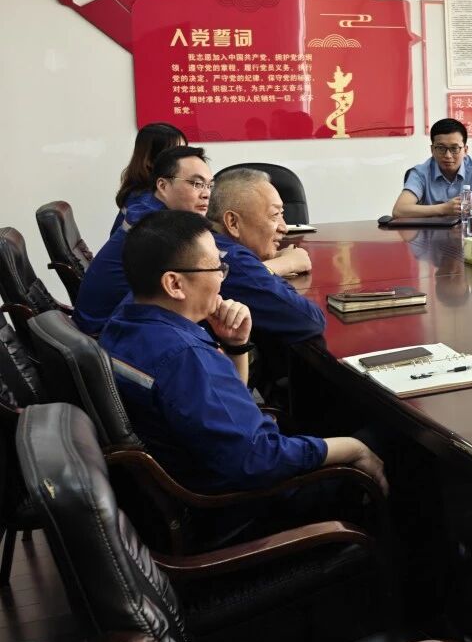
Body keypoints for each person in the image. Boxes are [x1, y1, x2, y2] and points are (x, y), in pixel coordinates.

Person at [99, 210, 385, 496]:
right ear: (174, 284)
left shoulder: (123, 319)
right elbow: (259, 459)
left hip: (203, 469)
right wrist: (353, 448)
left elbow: (226, 410)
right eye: (216, 269)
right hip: (245, 501)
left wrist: (236, 346)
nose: (222, 278)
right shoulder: (185, 356)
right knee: (385, 434)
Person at [74, 145, 214, 336]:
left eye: (209, 185)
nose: (206, 194)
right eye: (196, 184)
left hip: (104, 322)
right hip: (107, 331)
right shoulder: (157, 229)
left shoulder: (149, 208)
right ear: (163, 186)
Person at [206, 168, 324, 342]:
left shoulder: (205, 240)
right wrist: (286, 264)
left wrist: (259, 265)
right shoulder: (234, 260)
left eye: (282, 214)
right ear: (233, 222)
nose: (284, 227)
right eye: (274, 215)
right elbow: (310, 319)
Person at [393, 118, 472, 219]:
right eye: (441, 148)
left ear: (465, 150)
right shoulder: (420, 173)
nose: (448, 155)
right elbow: (399, 210)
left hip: (471, 228)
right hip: (431, 229)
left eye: (454, 148)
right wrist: (444, 209)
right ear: (432, 150)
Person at [111, 122, 187, 234]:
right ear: (149, 161)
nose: (187, 160)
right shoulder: (147, 205)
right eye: (176, 155)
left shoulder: (146, 193)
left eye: (185, 152)